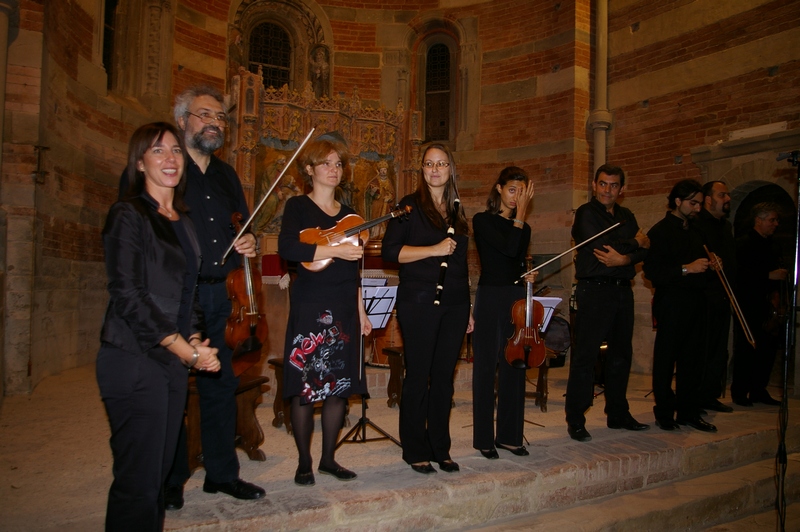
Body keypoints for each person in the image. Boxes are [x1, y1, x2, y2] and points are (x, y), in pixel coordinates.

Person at [121, 86, 266, 507]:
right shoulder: (165, 170)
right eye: (205, 115)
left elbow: (243, 225)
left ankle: (221, 474)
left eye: (220, 118)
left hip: (222, 295)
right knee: (168, 390)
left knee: (220, 384)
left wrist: (250, 242)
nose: (214, 124)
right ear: (182, 119)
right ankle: (169, 480)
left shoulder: (226, 175)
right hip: (175, 298)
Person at [98, 122, 221, 531]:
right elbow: (128, 295)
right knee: (138, 481)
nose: (170, 159)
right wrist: (186, 351)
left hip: (170, 360)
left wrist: (199, 339)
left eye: (175, 151)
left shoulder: (183, 221)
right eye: (157, 151)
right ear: (139, 163)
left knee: (159, 475)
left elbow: (191, 292)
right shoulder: (128, 214)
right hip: (133, 356)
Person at [278, 136, 372, 486]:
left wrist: (361, 311)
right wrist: (334, 249)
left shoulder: (350, 215)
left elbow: (355, 272)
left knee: (338, 387)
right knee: (306, 387)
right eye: (326, 163)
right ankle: (304, 462)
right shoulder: (297, 207)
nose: (334, 170)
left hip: (344, 306)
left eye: (338, 164)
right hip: (310, 306)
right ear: (309, 169)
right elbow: (289, 248)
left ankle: (328, 459)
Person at [382, 143, 474, 474]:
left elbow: (461, 263)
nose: (435, 169)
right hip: (418, 301)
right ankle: (414, 448)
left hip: (455, 304)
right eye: (428, 164)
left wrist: (469, 308)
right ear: (422, 170)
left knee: (444, 380)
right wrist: (433, 249)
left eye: (441, 164)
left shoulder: (457, 210)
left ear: (451, 169)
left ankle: (440, 447)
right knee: (419, 375)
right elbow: (390, 252)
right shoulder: (409, 207)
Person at [565, 164, 650, 442]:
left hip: (623, 291)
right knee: (586, 357)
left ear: (621, 189)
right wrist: (633, 244)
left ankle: (617, 413)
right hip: (595, 290)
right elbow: (602, 247)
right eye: (603, 184)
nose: (608, 190)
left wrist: (625, 258)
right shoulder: (586, 214)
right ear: (594, 185)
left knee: (621, 355)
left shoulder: (626, 215)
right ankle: (576, 418)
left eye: (614, 185)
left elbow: (644, 249)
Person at [472, 167, 536, 459]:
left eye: (522, 193)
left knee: (515, 364)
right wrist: (520, 216)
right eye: (512, 190)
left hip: (515, 297)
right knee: (486, 367)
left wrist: (527, 275)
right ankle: (484, 439)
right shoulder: (482, 221)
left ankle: (509, 436)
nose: (516, 197)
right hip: (490, 297)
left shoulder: (525, 228)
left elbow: (516, 262)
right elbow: (508, 250)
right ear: (498, 189)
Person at [643, 179, 717, 432]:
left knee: (693, 360)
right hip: (672, 303)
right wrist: (687, 268)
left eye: (699, 203)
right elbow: (652, 272)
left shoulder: (697, 231)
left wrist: (712, 265)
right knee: (666, 359)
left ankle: (688, 412)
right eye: (693, 203)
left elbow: (704, 267)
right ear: (678, 201)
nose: (697, 208)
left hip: (697, 301)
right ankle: (664, 412)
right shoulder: (660, 231)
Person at [731, 202, 787, 406]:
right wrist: (768, 275)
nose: (775, 224)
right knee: (747, 347)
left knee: (767, 348)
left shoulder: (773, 245)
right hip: (749, 303)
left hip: (769, 304)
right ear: (759, 220)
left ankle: (758, 390)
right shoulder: (743, 244)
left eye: (776, 220)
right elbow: (740, 275)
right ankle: (740, 391)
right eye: (772, 220)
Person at [694, 181, 736, 413]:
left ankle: (710, 394)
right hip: (705, 295)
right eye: (722, 194)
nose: (727, 198)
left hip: (723, 293)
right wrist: (709, 262)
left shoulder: (726, 226)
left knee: (719, 348)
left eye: (728, 194)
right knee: (704, 347)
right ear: (709, 199)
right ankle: (696, 395)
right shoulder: (699, 225)